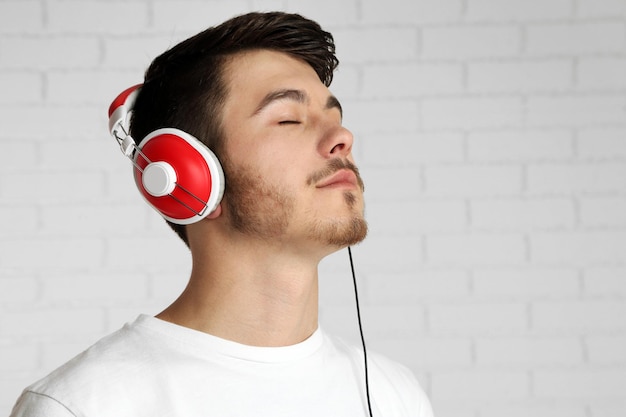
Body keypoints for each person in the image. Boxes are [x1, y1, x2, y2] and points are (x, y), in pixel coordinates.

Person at [10, 11, 434, 417]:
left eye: (335, 117)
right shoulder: (85, 405)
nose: (342, 137)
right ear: (187, 177)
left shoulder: (393, 394)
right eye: (288, 119)